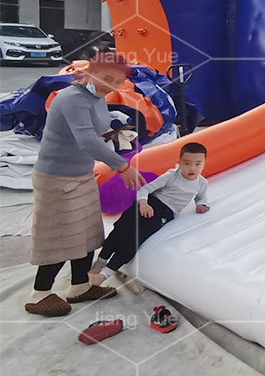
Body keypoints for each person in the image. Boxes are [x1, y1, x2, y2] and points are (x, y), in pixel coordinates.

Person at [26, 50, 146, 317]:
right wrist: (122, 166)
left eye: (117, 82)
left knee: (87, 233)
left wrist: (117, 134)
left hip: (81, 175)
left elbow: (95, 132)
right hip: (56, 179)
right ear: (90, 71)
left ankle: (79, 286)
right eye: (105, 78)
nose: (110, 85)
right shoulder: (72, 99)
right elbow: (86, 140)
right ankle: (40, 293)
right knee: (60, 236)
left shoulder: (97, 97)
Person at [90, 142, 210, 284]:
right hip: (149, 202)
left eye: (198, 164)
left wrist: (201, 205)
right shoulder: (171, 175)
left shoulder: (202, 183)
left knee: (134, 239)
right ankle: (101, 261)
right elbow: (145, 189)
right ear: (179, 162)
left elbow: (200, 197)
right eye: (187, 163)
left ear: (204, 163)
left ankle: (106, 273)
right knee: (121, 229)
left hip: (165, 213)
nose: (192, 168)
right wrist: (143, 203)